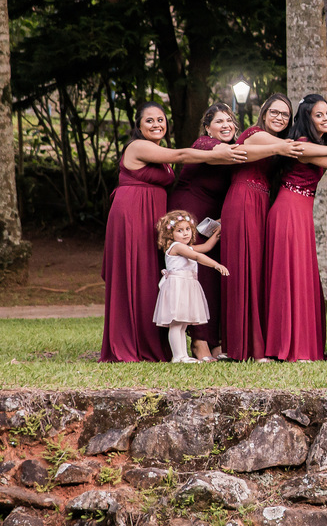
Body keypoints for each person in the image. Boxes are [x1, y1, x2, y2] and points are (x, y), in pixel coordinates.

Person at [101, 102, 245, 363]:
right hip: (132, 213)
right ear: (138, 126)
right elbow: (180, 156)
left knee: (148, 277)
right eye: (150, 121)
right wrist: (222, 154)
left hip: (153, 213)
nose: (157, 124)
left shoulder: (158, 149)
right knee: (135, 274)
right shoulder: (138, 146)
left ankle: (153, 343)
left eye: (161, 120)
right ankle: (128, 342)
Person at [218, 94, 327, 361]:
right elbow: (291, 147)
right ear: (264, 112)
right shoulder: (257, 134)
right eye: (275, 112)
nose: (279, 118)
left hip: (263, 202)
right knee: (244, 268)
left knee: (260, 270)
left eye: (285, 114)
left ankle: (258, 343)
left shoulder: (284, 143)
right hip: (244, 198)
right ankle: (241, 347)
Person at [263, 95, 327, 362]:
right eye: (320, 115)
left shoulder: (317, 146)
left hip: (302, 211)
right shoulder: (303, 144)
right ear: (307, 118)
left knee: (302, 274)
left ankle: (302, 343)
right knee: (289, 275)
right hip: (288, 210)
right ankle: (285, 345)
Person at [167, 103, 237, 361]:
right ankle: (199, 341)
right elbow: (225, 153)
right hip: (190, 212)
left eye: (229, 120)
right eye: (219, 121)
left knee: (214, 276)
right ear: (208, 128)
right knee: (195, 275)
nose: (226, 125)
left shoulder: (233, 149)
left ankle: (215, 340)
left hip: (212, 219)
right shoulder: (205, 144)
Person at [152, 210, 229, 363]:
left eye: (187, 229)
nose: (185, 233)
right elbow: (197, 256)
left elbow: (206, 247)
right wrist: (216, 265)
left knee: (182, 323)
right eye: (179, 230)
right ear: (170, 234)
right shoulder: (176, 247)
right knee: (176, 323)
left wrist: (218, 231)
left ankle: (183, 355)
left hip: (186, 287)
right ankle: (178, 355)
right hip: (177, 288)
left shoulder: (186, 247)